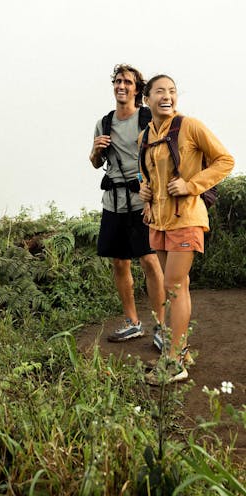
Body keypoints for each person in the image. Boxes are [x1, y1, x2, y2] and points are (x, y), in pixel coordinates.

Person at [139, 74, 234, 383]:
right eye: (159, 91)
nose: (167, 96)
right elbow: (148, 174)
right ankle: (179, 351)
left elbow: (225, 160)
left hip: (187, 218)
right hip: (159, 221)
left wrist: (192, 185)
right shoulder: (145, 137)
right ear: (147, 99)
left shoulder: (190, 126)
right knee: (176, 289)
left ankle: (173, 361)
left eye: (172, 91)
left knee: (174, 287)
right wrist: (145, 193)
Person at [90, 64, 165, 344]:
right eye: (118, 81)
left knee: (149, 259)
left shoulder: (148, 119)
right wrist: (95, 151)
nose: (121, 86)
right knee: (119, 262)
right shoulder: (104, 123)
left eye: (128, 83)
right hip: (113, 201)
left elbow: (160, 159)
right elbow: (97, 163)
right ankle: (133, 322)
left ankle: (161, 326)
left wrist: (153, 198)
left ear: (137, 89)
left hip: (142, 199)